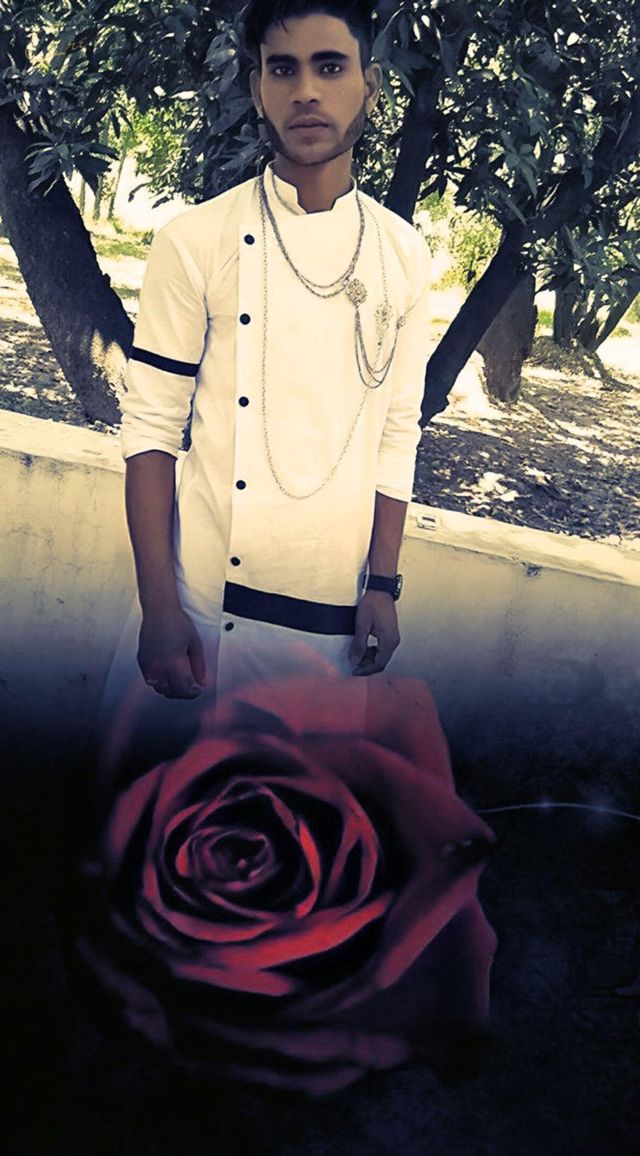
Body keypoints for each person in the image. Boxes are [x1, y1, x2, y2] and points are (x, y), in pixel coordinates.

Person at [115, 0, 432, 713]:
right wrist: (159, 608)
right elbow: (151, 429)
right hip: (201, 613)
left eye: (331, 66)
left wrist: (384, 584)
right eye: (283, 70)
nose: (307, 91)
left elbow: (397, 432)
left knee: (299, 788)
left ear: (370, 86)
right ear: (258, 89)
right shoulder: (196, 240)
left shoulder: (405, 256)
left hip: (333, 614)